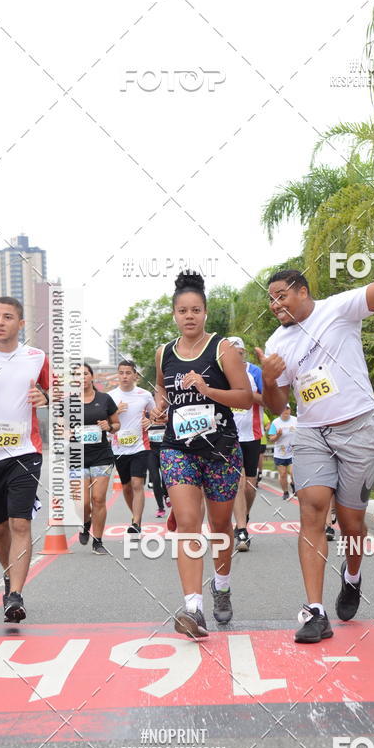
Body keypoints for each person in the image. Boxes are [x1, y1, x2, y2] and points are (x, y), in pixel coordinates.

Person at [257, 240, 374, 643]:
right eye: (270, 300)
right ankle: (314, 612)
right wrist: (269, 378)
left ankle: (352, 575)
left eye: (281, 296)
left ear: (302, 292)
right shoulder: (276, 343)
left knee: (352, 521)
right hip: (312, 433)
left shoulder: (340, 308)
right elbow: (277, 406)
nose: (275, 304)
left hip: (358, 428)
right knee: (312, 512)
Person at [151, 272, 252, 639]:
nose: (189, 316)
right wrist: (158, 410)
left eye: (195, 310)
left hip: (221, 451)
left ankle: (221, 585)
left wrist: (207, 389)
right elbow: (163, 391)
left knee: (221, 527)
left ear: (205, 313)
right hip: (178, 448)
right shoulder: (164, 352)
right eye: (182, 310)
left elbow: (245, 397)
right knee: (188, 523)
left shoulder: (222, 349)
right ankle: (193, 608)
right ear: (174, 314)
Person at [0, 297, 49, 622]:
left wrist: (45, 396)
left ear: (21, 324)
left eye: (8, 317)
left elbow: (61, 394)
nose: (0, 322)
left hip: (24, 452)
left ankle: (16, 596)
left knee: (20, 522)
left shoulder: (36, 357)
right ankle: (10, 578)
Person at [73, 363, 120, 554]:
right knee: (83, 502)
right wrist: (65, 431)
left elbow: (117, 424)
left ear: (91, 377)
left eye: (84, 374)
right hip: (77, 456)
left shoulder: (105, 399)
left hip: (101, 455)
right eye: (77, 375)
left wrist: (108, 427)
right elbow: (59, 426)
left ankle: (98, 541)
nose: (81, 377)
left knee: (98, 499)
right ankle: (86, 522)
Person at [108, 360, 155, 535]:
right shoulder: (110, 396)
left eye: (128, 373)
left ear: (135, 375)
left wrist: (150, 421)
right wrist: (115, 412)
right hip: (119, 448)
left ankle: (136, 523)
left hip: (140, 447)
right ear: (118, 375)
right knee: (126, 487)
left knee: (137, 484)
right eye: (121, 373)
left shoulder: (144, 395)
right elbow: (104, 422)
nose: (125, 376)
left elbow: (155, 414)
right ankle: (135, 517)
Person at [226, 336, 264, 552]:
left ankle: (244, 516)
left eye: (238, 354)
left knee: (250, 485)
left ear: (244, 353)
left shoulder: (255, 372)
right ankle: (241, 529)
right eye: (231, 354)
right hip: (231, 436)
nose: (236, 358)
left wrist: (247, 394)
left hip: (252, 434)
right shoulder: (223, 373)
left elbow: (267, 401)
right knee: (238, 481)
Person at [143, 411, 169, 518]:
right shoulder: (146, 416)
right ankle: (160, 508)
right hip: (151, 451)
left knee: (165, 479)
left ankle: (167, 495)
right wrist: (148, 422)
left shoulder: (166, 413)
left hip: (165, 450)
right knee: (155, 479)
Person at [268, 405, 297, 500]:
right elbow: (271, 439)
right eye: (283, 409)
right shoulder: (275, 423)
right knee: (283, 474)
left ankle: (293, 484)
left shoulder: (296, 420)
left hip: (293, 452)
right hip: (280, 453)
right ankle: (285, 492)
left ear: (290, 410)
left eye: (287, 408)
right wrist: (278, 435)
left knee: (293, 473)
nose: (286, 411)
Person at [257, 411, 271, 483]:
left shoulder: (262, 414)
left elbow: (268, 424)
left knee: (260, 457)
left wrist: (264, 429)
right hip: (249, 439)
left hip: (261, 440)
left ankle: (260, 472)